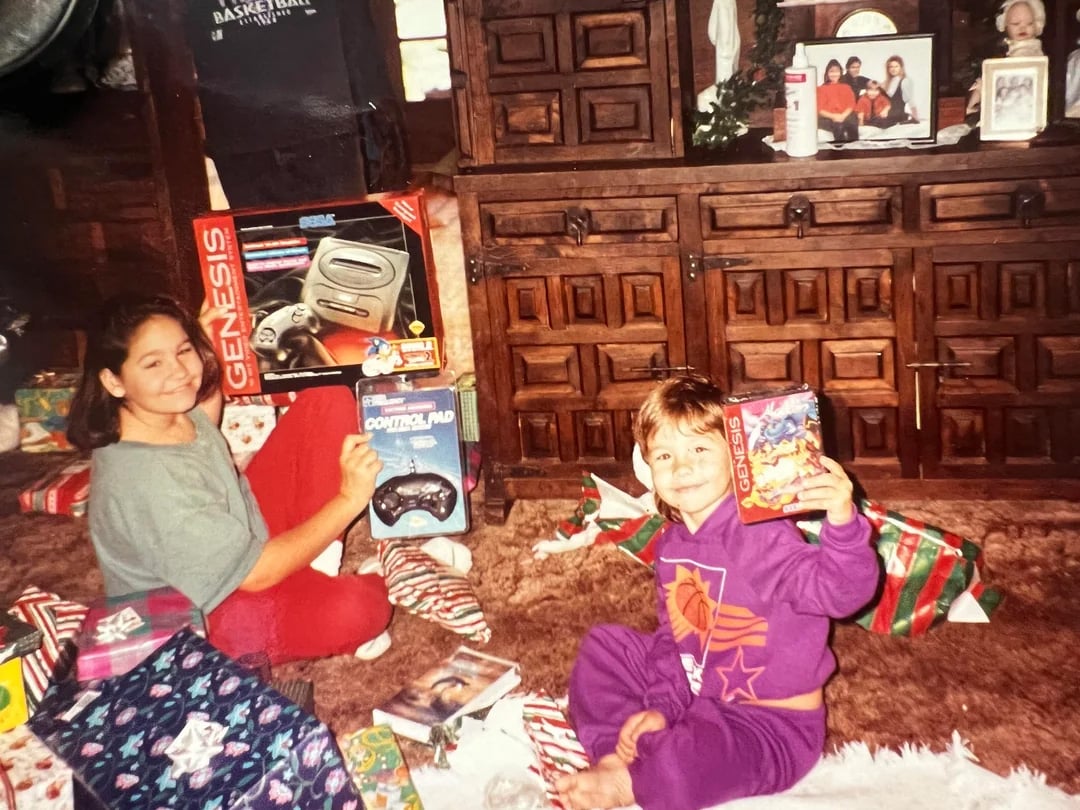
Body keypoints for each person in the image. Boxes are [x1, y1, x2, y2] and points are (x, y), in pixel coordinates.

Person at [555, 374, 879, 810]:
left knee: (684, 765)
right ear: (647, 467)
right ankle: (619, 756)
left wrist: (842, 522)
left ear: (737, 459)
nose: (681, 468)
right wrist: (662, 707)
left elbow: (841, 593)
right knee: (605, 647)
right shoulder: (671, 545)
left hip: (771, 726)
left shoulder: (761, 534)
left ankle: (635, 780)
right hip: (700, 690)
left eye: (700, 450)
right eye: (664, 455)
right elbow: (674, 639)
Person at [66, 293, 393, 665]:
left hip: (239, 533)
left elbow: (203, 418)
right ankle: (340, 585)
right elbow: (255, 575)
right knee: (359, 610)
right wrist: (348, 500)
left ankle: (313, 567)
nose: (179, 372)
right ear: (114, 381)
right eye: (153, 363)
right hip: (209, 616)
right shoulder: (149, 485)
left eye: (183, 351)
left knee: (328, 399)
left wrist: (209, 343)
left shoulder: (159, 413)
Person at [816, 58, 859, 142]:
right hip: (828, 117)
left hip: (845, 115)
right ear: (827, 73)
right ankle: (840, 150)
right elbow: (820, 109)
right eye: (831, 71)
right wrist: (834, 117)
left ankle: (854, 146)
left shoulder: (846, 87)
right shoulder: (821, 89)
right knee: (838, 125)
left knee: (852, 121)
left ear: (840, 73)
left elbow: (851, 104)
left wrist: (842, 116)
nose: (834, 74)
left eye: (837, 71)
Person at [882, 54, 918, 126]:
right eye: (891, 67)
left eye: (896, 66)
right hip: (885, 113)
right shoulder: (887, 82)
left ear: (901, 67)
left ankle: (908, 117)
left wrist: (915, 116)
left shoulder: (905, 81)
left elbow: (910, 100)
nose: (893, 69)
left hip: (895, 115)